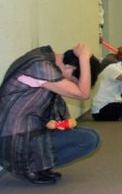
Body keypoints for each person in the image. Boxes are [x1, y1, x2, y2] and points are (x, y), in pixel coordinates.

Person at [0, 44, 101, 185]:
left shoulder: (42, 59)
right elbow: (83, 94)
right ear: (69, 67)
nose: (69, 83)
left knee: (88, 137)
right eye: (73, 81)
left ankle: (38, 166)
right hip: (14, 139)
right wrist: (84, 58)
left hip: (22, 132)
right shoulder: (40, 66)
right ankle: (30, 168)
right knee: (88, 139)